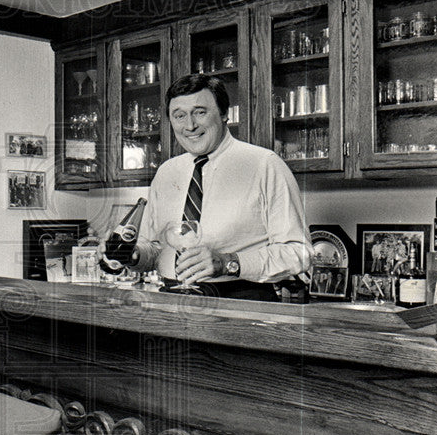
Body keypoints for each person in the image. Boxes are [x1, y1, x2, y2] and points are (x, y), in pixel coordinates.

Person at [128, 73, 313, 301]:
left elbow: (299, 253)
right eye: (179, 116)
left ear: (224, 114)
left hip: (240, 302)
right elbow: (157, 248)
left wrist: (229, 263)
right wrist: (133, 254)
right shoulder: (167, 172)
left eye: (200, 112)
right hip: (172, 299)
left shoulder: (265, 165)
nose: (190, 125)